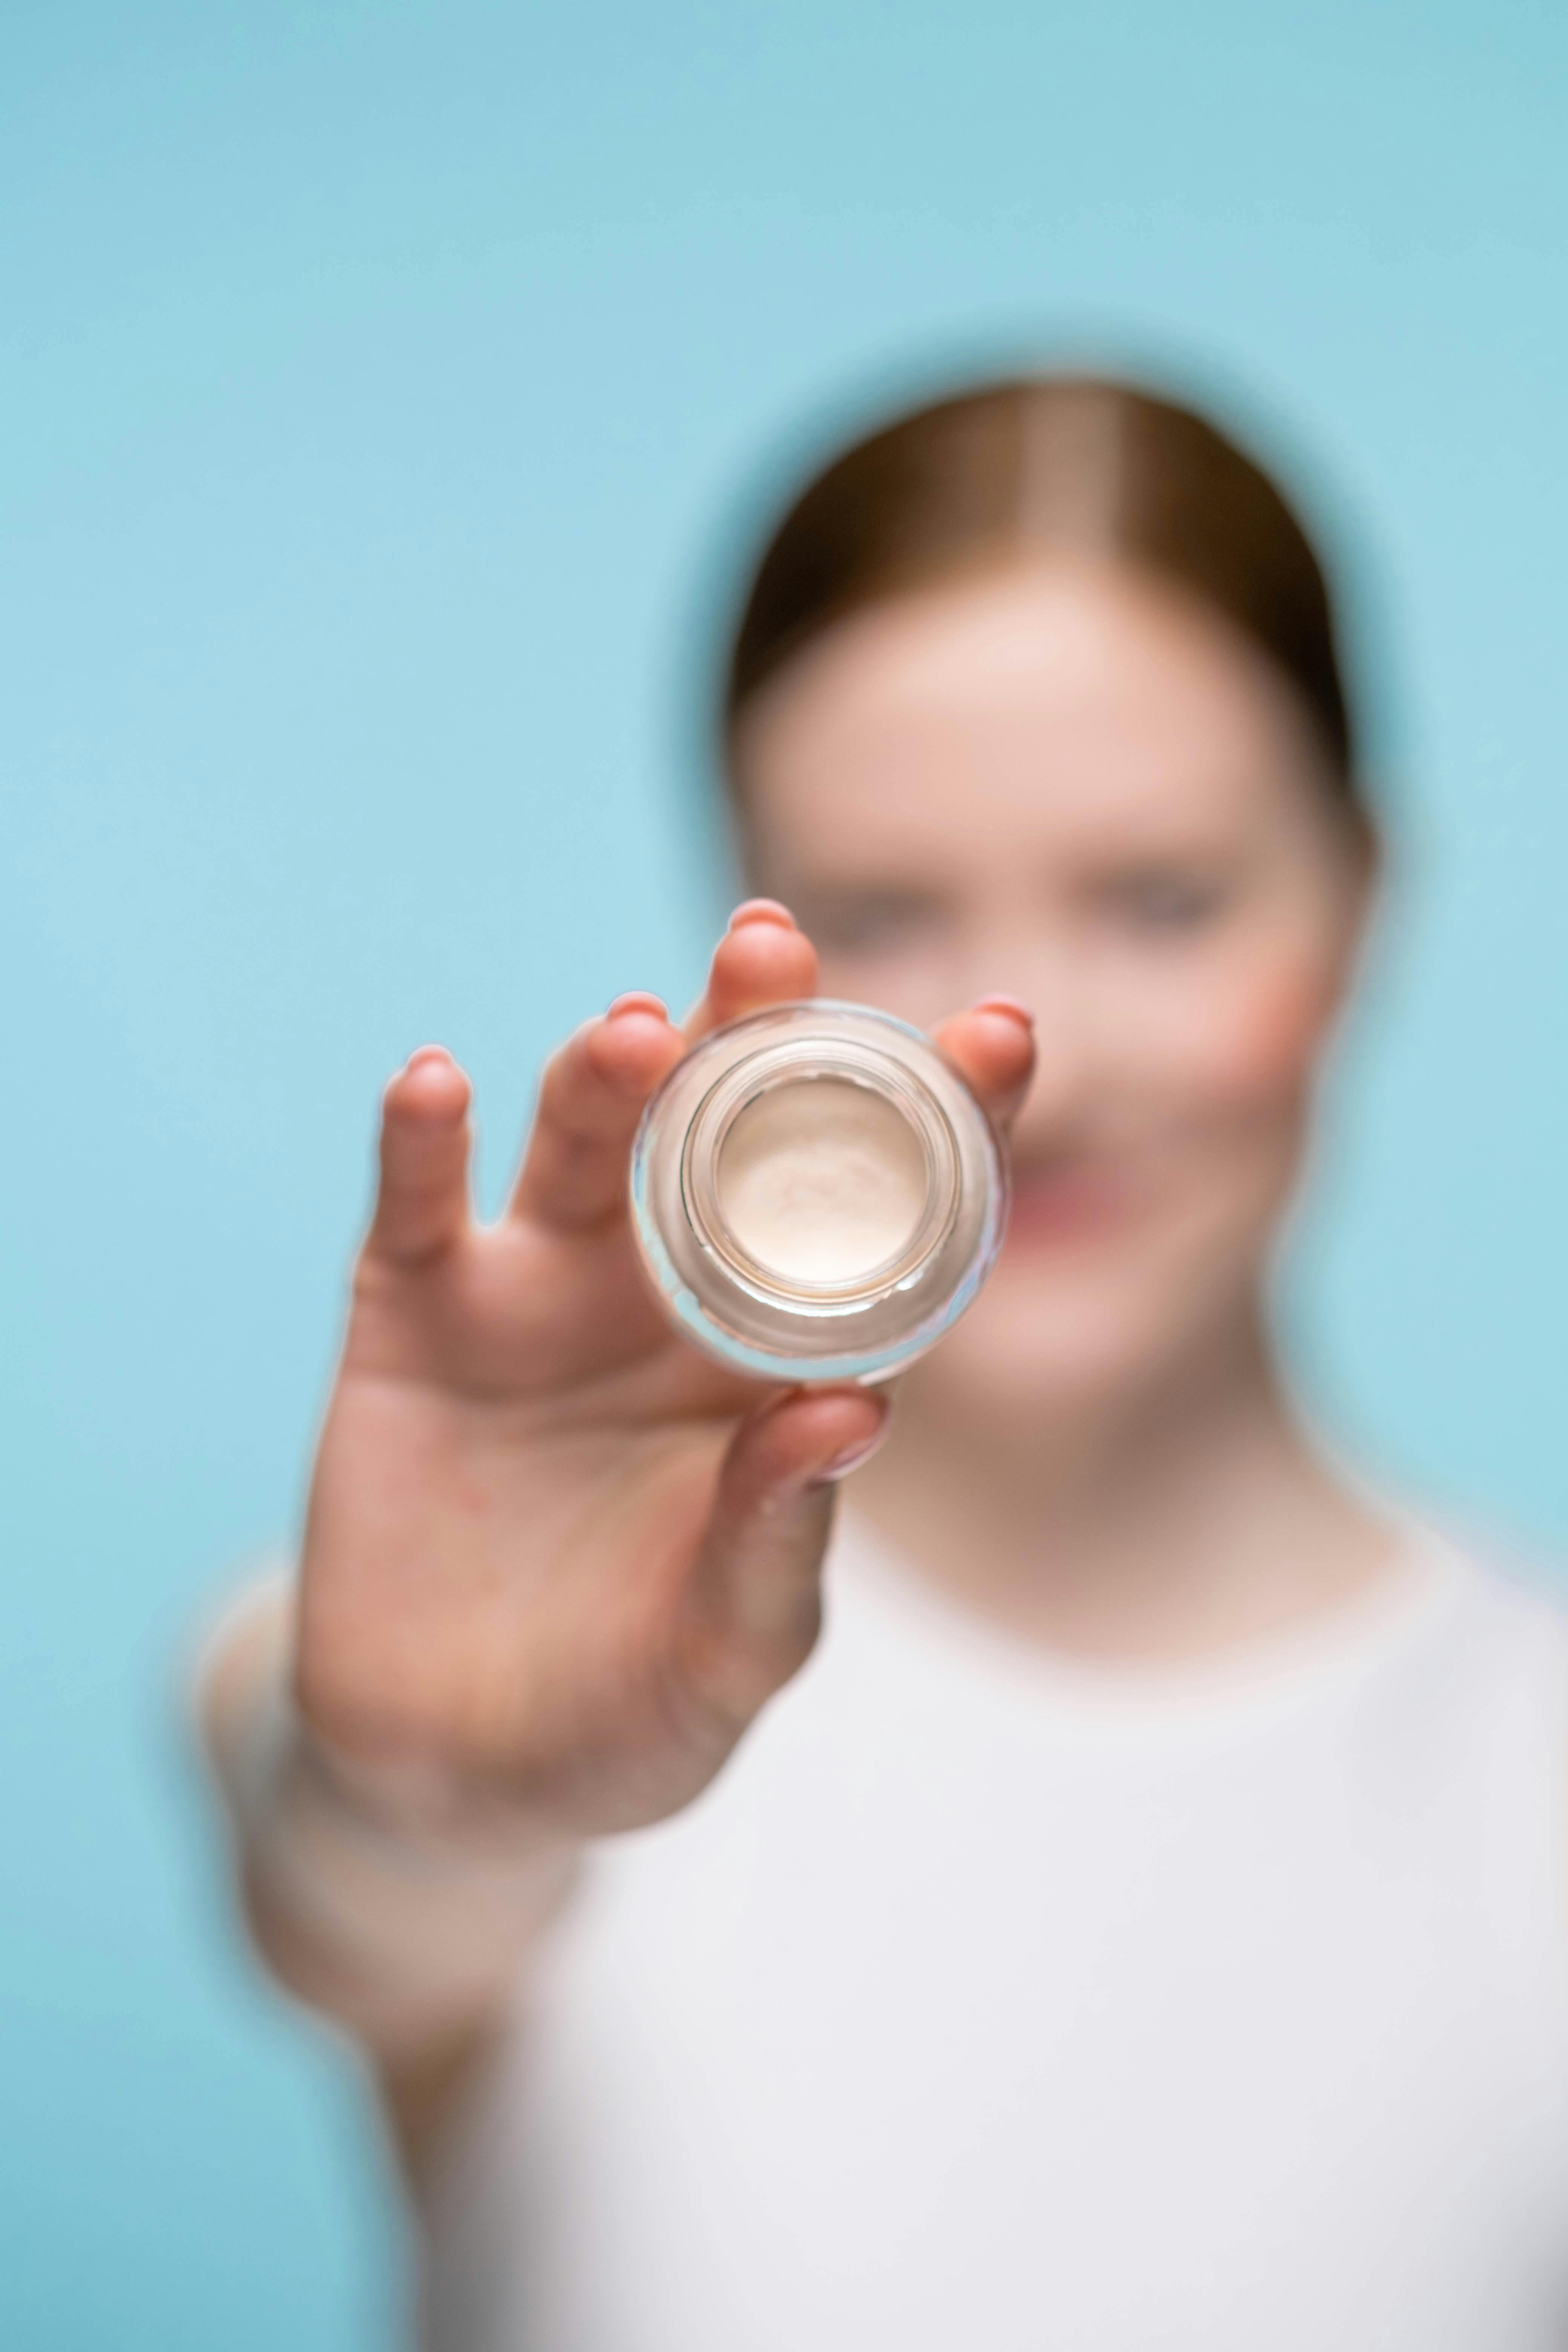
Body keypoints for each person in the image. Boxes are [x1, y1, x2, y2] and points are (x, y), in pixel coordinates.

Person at [198, 377, 1568, 2351]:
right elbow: (360, 1881)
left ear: (1360, 904)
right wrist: (434, 1801)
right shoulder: (472, 1663)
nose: (1041, 1060)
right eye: (877, 909)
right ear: (744, 935)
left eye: (1166, 899)